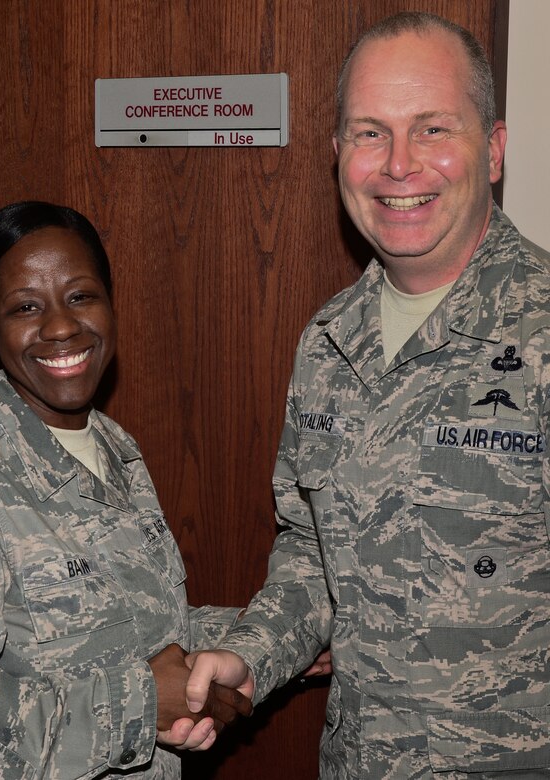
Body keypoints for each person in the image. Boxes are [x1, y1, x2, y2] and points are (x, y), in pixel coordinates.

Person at [185, 11, 550, 778]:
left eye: (432, 129)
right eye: (369, 133)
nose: (398, 165)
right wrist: (251, 655)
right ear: (337, 155)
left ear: (493, 150)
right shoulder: (327, 341)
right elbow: (312, 553)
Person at [0, 201, 251, 779]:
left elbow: (142, 625)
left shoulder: (112, 445)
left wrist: (265, 640)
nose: (60, 327)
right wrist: (140, 704)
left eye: (81, 296)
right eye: (26, 306)